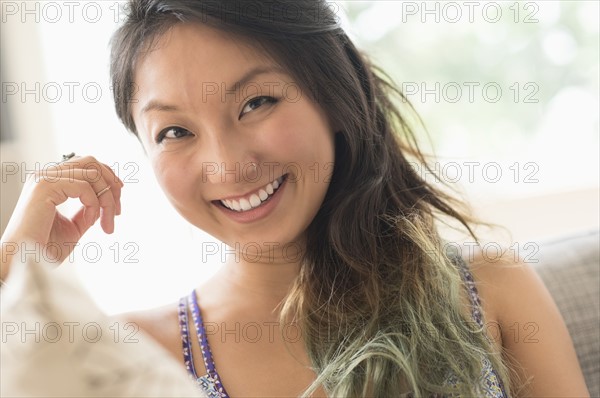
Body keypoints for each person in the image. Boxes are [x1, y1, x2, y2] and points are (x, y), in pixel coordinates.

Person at [0, 0, 590, 397]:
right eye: (175, 131)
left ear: (331, 93)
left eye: (256, 102)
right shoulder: (133, 356)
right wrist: (15, 267)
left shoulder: (489, 289)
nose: (228, 164)